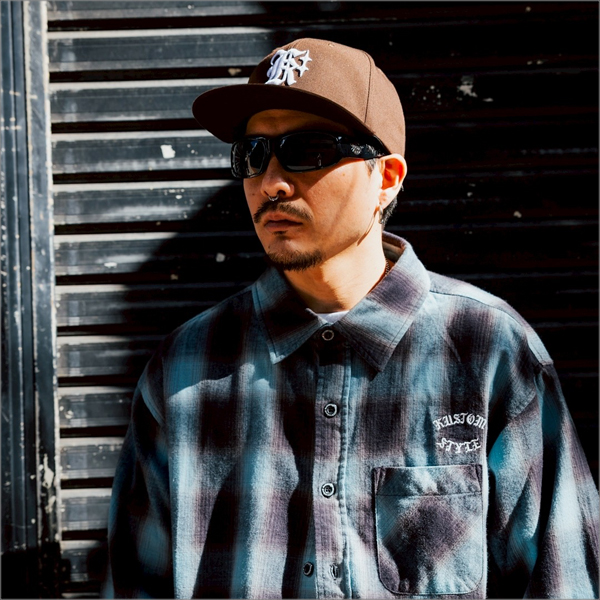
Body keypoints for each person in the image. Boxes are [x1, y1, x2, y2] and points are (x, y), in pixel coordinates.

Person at [105, 38, 598, 599]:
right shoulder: (185, 369)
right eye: (252, 154)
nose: (271, 182)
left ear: (385, 177)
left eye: (308, 150)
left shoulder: (487, 351)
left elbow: (564, 581)